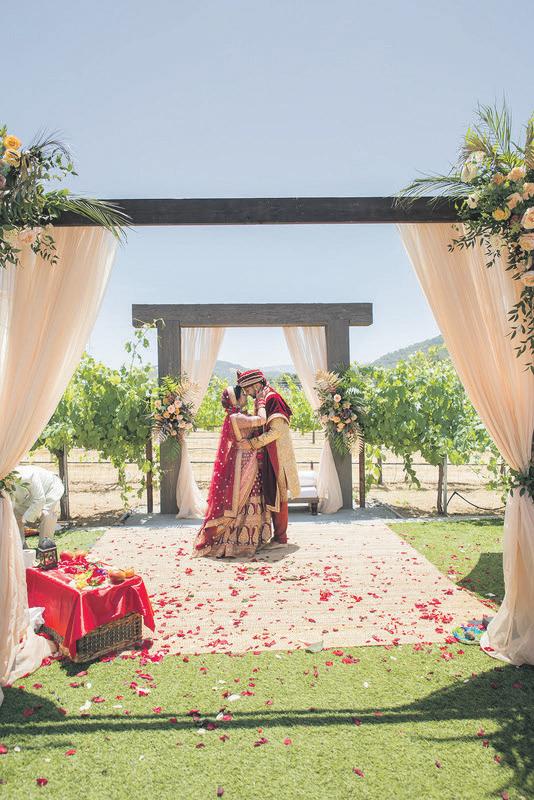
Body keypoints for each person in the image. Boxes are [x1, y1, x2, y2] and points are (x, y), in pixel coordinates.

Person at [193, 384, 273, 558]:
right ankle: (236, 542)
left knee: (250, 495)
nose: (246, 396)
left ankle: (250, 539)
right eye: (243, 394)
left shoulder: (239, 416)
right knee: (244, 497)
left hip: (246, 458)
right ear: (235, 400)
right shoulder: (236, 418)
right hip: (244, 461)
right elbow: (262, 419)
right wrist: (261, 401)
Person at [236, 369, 300, 548]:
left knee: (280, 494)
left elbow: (277, 431)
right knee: (274, 493)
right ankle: (278, 537)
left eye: (247, 389)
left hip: (278, 454)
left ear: (257, 385)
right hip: (269, 453)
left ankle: (281, 538)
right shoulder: (262, 398)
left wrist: (252, 443)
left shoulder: (272, 399)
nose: (247, 393)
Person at [12, 465, 64, 549]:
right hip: (28, 496)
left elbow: (40, 500)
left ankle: (45, 546)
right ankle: (21, 548)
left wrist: (25, 519)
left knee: (46, 514)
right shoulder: (4, 483)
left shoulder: (29, 476)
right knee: (15, 516)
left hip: (50, 486)